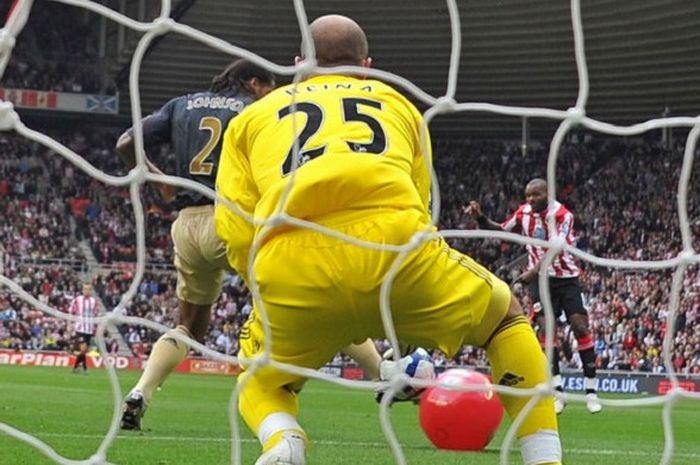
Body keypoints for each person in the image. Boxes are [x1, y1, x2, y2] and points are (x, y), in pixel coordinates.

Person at [215, 15, 562, 465]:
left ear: (299, 65)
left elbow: (235, 225)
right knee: (505, 321)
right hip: (396, 253)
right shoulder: (400, 105)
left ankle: (284, 442)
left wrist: (261, 280)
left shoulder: (252, 118)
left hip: (292, 265)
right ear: (368, 67)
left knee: (258, 379)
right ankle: (545, 459)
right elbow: (421, 200)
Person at [115, 59, 397, 431]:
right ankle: (383, 374)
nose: (272, 91)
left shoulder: (181, 105)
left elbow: (126, 142)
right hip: (233, 220)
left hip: (186, 226)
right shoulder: (260, 109)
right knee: (313, 296)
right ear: (253, 82)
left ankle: (140, 392)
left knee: (189, 327)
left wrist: (158, 179)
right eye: (268, 85)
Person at [467, 178, 602, 414]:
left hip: (566, 278)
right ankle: (558, 392)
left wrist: (533, 270)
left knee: (580, 327)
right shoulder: (523, 213)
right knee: (545, 328)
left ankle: (591, 391)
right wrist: (480, 217)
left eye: (536, 195)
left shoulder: (563, 215)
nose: (530, 200)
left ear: (547, 193)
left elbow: (556, 247)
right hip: (540, 282)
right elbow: (501, 230)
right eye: (528, 195)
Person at [69, 283, 99, 374]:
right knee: (83, 348)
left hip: (89, 329)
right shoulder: (77, 300)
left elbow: (95, 315)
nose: (87, 291)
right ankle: (85, 368)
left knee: (84, 350)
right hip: (80, 328)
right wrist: (69, 324)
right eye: (85, 289)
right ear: (82, 290)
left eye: (89, 289)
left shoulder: (94, 302)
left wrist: (96, 328)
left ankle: (76, 367)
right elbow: (71, 312)